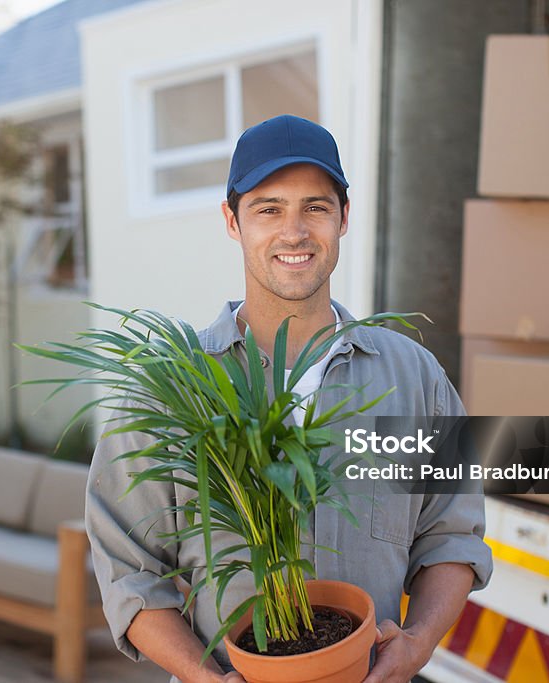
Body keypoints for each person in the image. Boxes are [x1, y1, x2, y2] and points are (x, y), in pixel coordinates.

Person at [85, 115, 492, 683]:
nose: (294, 232)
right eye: (268, 209)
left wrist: (419, 643)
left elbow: (452, 533)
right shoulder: (174, 387)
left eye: (316, 207)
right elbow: (128, 570)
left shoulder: (412, 375)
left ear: (344, 218)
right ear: (233, 221)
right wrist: (206, 678)